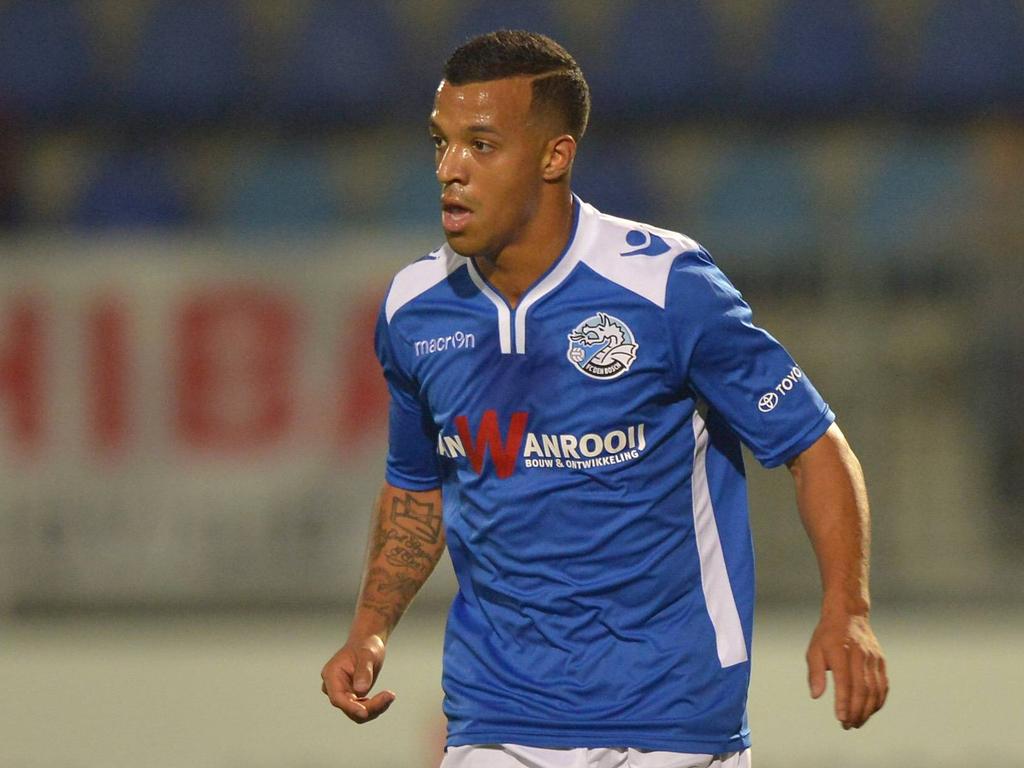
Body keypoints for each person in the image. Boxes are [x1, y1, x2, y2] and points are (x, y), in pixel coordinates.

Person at [321, 29, 888, 768]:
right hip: (498, 714)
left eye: (482, 146)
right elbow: (417, 488)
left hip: (673, 718)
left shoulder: (665, 287)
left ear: (555, 156)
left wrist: (848, 610)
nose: (450, 171)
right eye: (441, 143)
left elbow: (814, 446)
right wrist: (370, 627)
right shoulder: (414, 308)